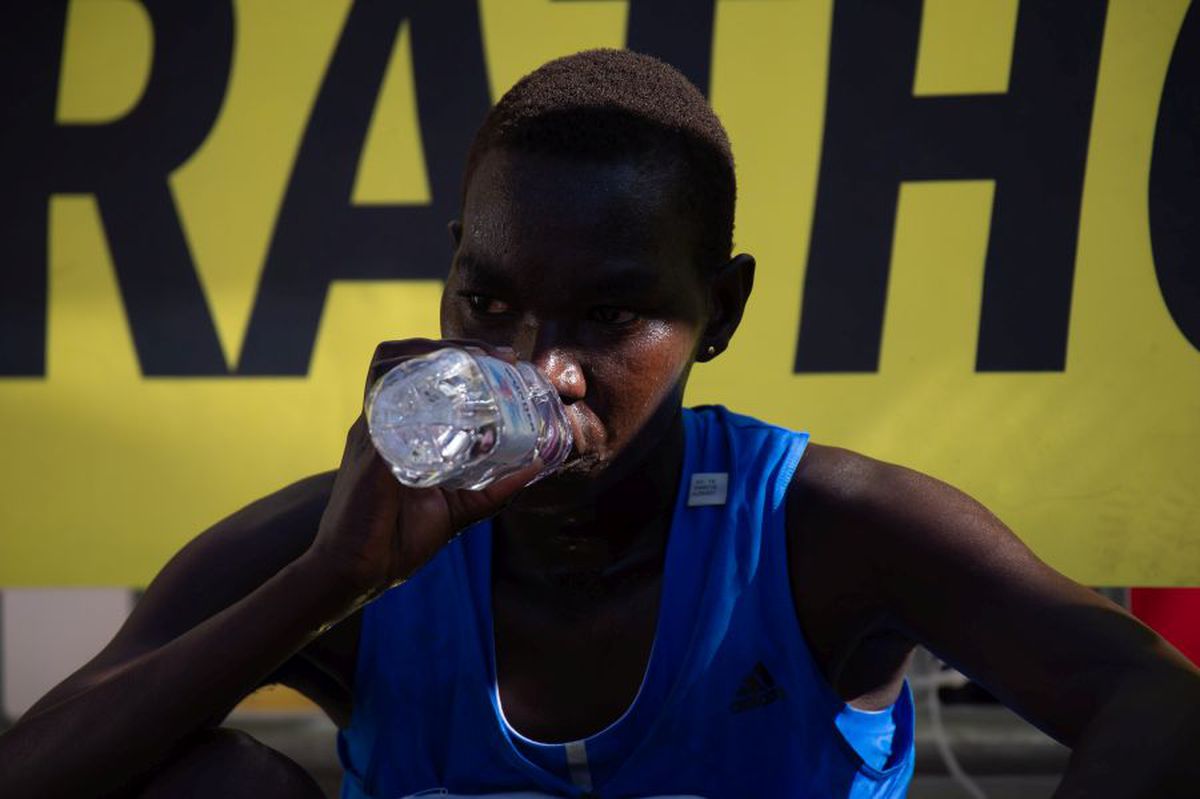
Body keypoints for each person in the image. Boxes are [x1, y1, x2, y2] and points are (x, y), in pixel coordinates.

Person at [1, 49, 1198, 799]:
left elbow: (1160, 702)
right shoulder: (346, 542)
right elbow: (36, 769)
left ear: (719, 312)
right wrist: (327, 583)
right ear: (451, 274)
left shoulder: (822, 528)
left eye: (610, 314)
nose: (542, 368)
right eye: (490, 303)